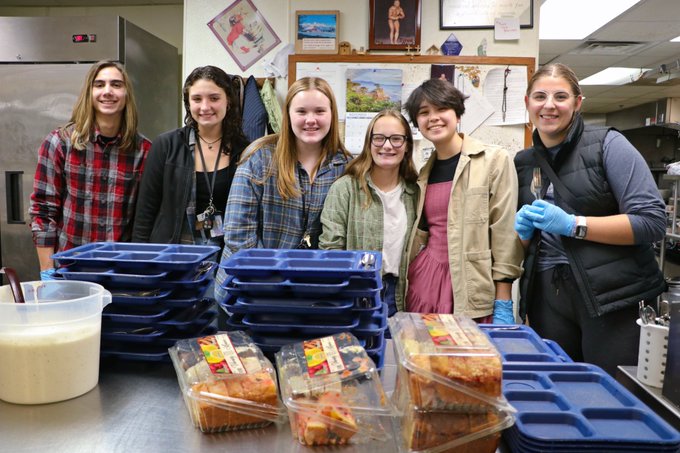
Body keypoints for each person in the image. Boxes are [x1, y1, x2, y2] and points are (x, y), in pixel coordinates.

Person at [514, 63, 667, 376]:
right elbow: (533, 243)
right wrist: (524, 235)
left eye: (560, 96)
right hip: (549, 296)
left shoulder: (608, 144)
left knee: (612, 397)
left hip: (613, 298)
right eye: (540, 96)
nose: (549, 105)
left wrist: (574, 225)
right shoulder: (525, 161)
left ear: (577, 103)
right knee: (559, 391)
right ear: (527, 102)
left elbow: (652, 222)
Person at [214, 77, 352, 302]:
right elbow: (239, 236)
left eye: (319, 111)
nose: (310, 120)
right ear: (287, 115)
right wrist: (275, 283)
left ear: (332, 115)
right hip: (249, 290)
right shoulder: (259, 158)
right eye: (301, 112)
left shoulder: (345, 165)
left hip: (309, 294)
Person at [403, 78, 523, 322]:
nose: (433, 117)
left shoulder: (493, 160)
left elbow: (504, 233)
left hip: (471, 287)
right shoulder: (425, 171)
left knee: (471, 359)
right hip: (426, 281)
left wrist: (503, 298)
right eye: (424, 113)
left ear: (457, 114)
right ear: (417, 123)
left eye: (441, 109)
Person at [29, 60, 151, 280]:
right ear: (89, 92)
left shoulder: (143, 150)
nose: (107, 91)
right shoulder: (60, 142)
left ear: (126, 94)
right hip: (69, 269)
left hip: (120, 271)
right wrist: (47, 271)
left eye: (116, 84)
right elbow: (43, 211)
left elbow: (144, 219)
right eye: (99, 84)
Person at [132, 66, 249, 253]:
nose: (205, 107)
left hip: (224, 257)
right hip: (170, 257)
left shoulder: (245, 151)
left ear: (228, 101)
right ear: (188, 103)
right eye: (197, 99)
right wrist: (140, 261)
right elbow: (145, 213)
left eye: (214, 98)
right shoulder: (166, 145)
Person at [319, 109, 418, 316]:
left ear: (407, 145)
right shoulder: (345, 189)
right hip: (355, 295)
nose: (387, 145)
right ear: (369, 143)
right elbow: (330, 250)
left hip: (402, 297)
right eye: (379, 138)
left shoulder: (416, 192)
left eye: (396, 139)